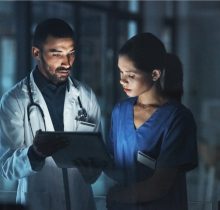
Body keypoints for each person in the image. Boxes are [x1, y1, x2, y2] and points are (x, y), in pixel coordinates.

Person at [0, 18, 101, 210]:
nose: (67, 62)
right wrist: (35, 153)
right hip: (37, 204)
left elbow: (95, 167)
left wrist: (93, 167)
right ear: (36, 53)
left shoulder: (86, 97)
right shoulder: (14, 100)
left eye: (71, 53)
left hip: (81, 203)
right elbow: (5, 167)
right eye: (57, 54)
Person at [105, 33, 198, 210]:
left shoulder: (177, 119)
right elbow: (114, 166)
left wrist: (118, 195)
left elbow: (159, 185)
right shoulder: (120, 112)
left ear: (155, 74)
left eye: (130, 75)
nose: (122, 80)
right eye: (120, 72)